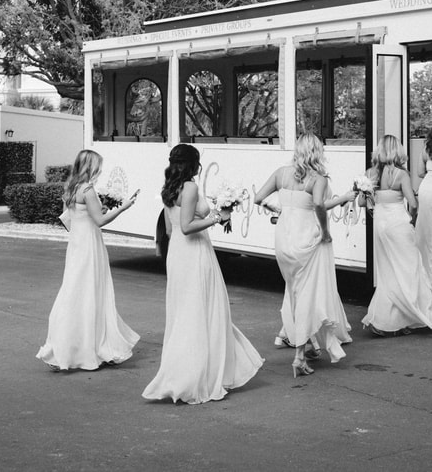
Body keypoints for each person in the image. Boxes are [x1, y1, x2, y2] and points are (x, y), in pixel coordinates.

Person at [142, 144, 263, 404]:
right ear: (193, 163)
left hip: (177, 254)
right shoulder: (190, 187)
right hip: (195, 252)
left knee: (185, 312)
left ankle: (186, 370)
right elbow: (186, 227)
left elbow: (171, 229)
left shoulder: (169, 187)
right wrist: (218, 218)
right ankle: (199, 375)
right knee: (203, 309)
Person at [253, 134, 352, 377]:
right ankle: (299, 355)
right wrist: (326, 232)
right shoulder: (319, 179)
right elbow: (318, 205)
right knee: (308, 293)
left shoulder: (281, 173)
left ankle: (308, 343)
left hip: (285, 240)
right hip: (307, 238)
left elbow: (258, 198)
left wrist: (278, 208)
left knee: (295, 291)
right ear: (317, 152)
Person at [37, 149, 140, 370]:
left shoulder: (71, 187)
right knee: (92, 291)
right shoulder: (88, 189)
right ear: (91, 167)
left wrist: (92, 211)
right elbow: (100, 221)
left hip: (76, 245)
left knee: (74, 290)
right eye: (98, 166)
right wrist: (123, 208)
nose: (100, 170)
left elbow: (69, 219)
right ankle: (92, 345)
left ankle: (66, 344)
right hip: (90, 245)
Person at [361, 135, 432, 336]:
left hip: (380, 224)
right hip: (398, 223)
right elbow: (413, 204)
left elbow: (362, 202)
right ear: (398, 151)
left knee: (388, 272)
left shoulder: (370, 173)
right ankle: (411, 315)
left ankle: (387, 320)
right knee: (409, 269)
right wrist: (412, 217)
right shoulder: (401, 174)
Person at [413, 120, 432, 293]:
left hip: (427, 189)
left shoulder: (427, 147)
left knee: (426, 233)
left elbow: (419, 172)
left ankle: (423, 275)